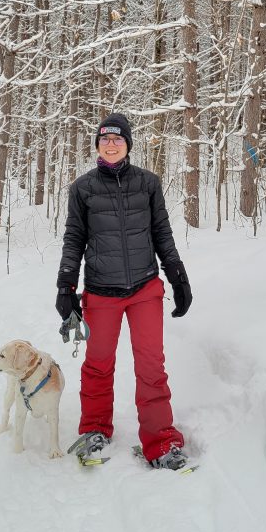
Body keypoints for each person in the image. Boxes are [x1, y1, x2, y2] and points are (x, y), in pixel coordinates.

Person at [56, 113, 193, 469]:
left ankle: (161, 441)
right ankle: (95, 430)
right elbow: (74, 238)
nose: (112, 144)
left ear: (128, 144)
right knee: (98, 365)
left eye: (118, 139)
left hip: (145, 288)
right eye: (105, 139)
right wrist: (66, 284)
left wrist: (177, 275)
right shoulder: (82, 188)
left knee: (151, 366)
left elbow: (162, 232)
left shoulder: (148, 183)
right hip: (101, 291)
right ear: (97, 145)